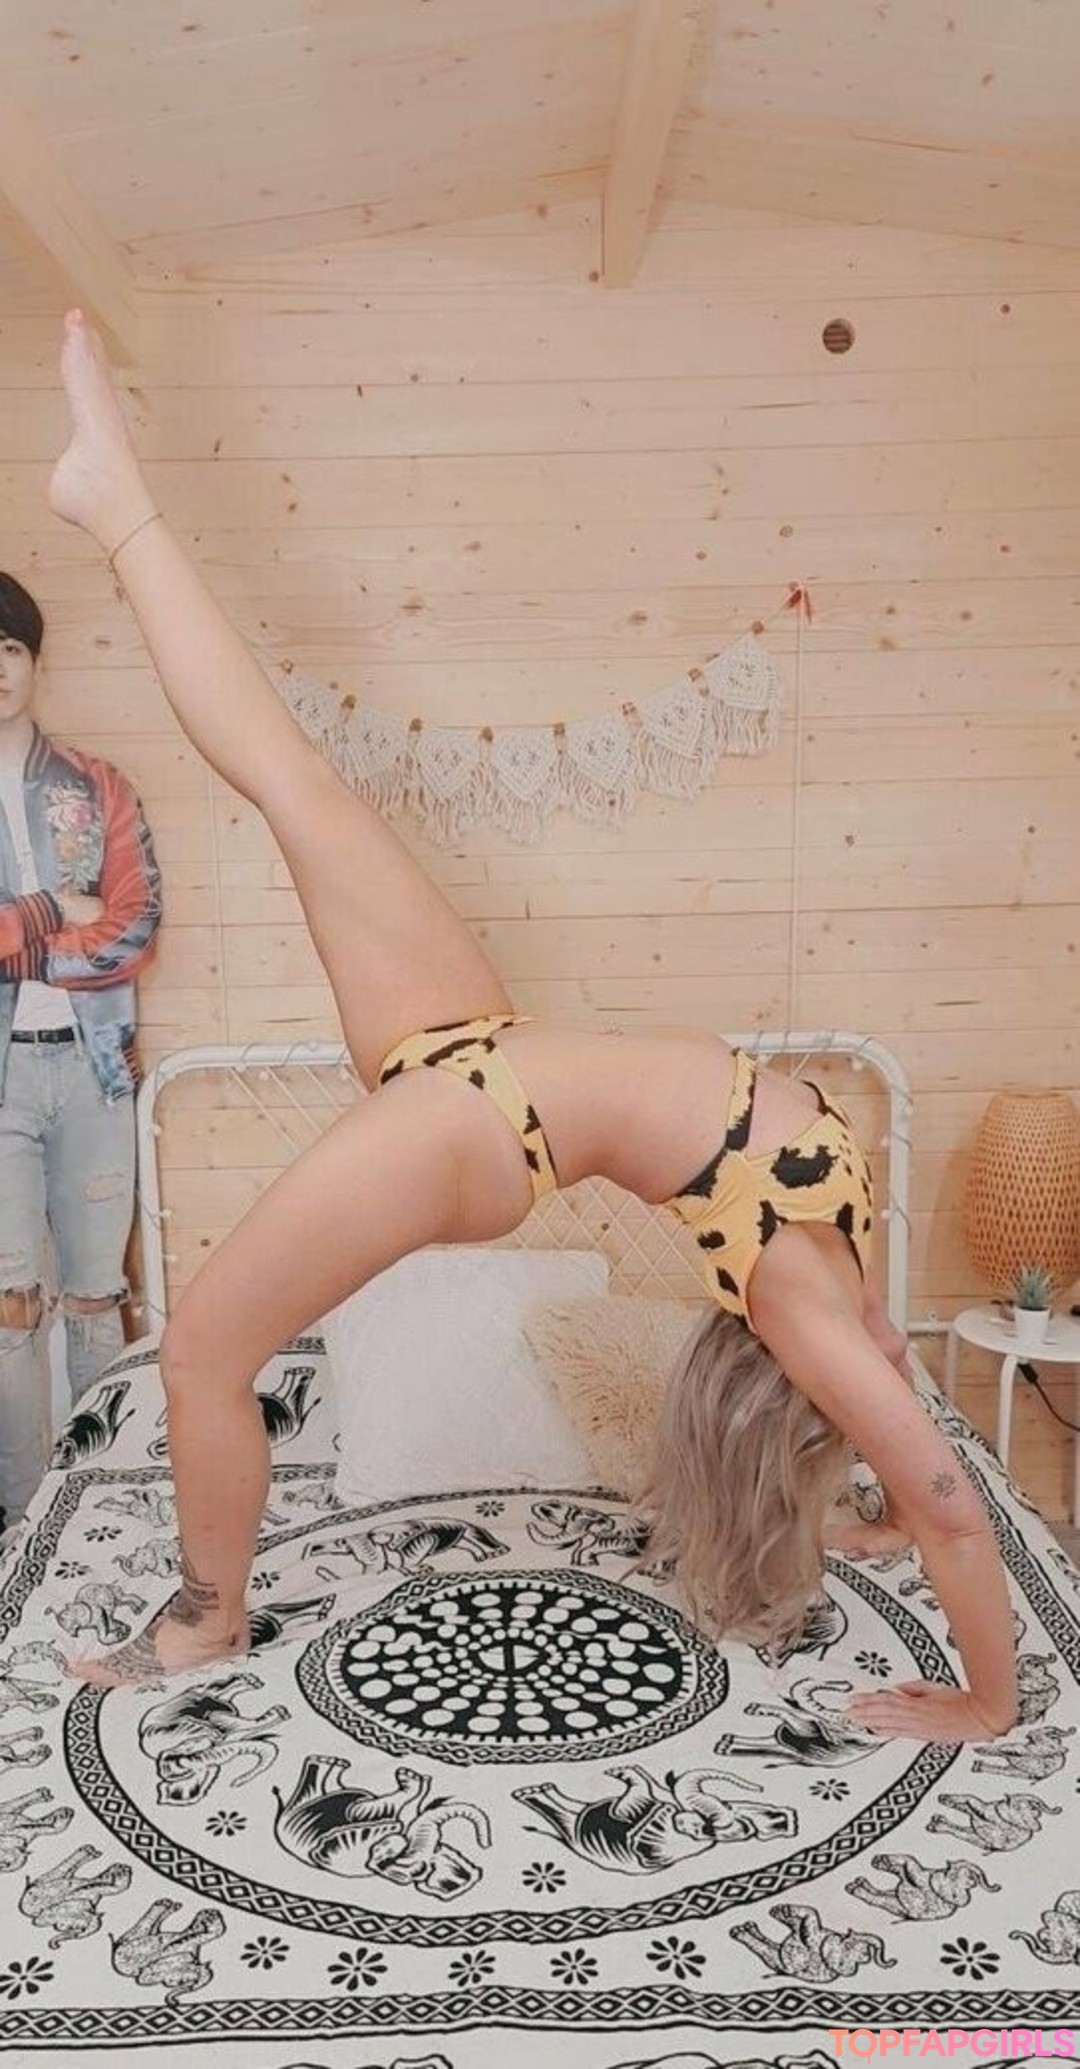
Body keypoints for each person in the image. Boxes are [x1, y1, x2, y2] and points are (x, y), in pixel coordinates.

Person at [49, 310, 1018, 1743]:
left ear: (795, 1387)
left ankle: (206, 1615)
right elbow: (899, 1441)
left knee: (199, 1350)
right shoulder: (846, 1281)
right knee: (294, 776)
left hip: (482, 1126)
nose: (876, 1381)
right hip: (473, 1041)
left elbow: (948, 1497)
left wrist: (985, 1699)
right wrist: (856, 1502)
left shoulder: (797, 1295)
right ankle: (116, 500)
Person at [0, 567, 161, 1533]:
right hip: (2, 1087)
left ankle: (100, 1509)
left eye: (9, 647)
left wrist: (23, 944)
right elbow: (88, 919)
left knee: (99, 1295)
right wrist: (52, 910)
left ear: (34, 660)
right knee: (9, 1303)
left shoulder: (99, 787)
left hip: (97, 1067)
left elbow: (136, 926)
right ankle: (22, 1519)